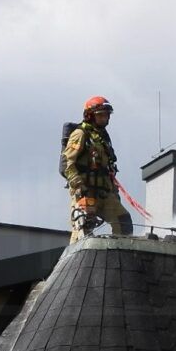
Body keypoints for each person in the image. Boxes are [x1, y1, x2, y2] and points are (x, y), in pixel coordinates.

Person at [62, 96, 133, 243]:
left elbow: (107, 169)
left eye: (106, 115)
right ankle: (77, 261)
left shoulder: (102, 138)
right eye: (101, 114)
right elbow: (68, 163)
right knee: (83, 229)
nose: (105, 118)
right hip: (85, 193)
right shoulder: (81, 134)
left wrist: (113, 191)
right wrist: (79, 186)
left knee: (123, 221)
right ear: (90, 115)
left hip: (104, 193)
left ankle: (119, 252)